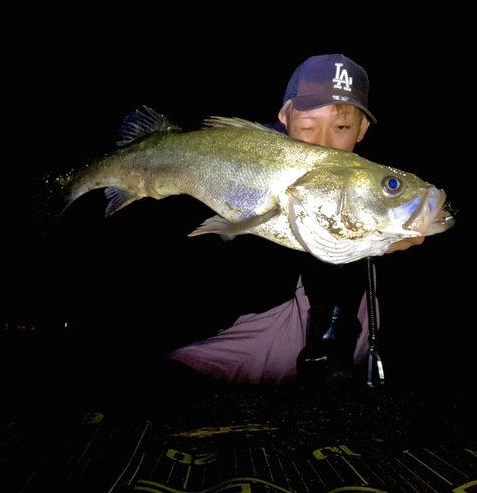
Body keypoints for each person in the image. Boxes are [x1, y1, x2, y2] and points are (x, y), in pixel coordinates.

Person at [167, 54, 424, 383]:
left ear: (362, 129)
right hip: (252, 334)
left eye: (341, 127)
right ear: (284, 118)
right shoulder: (245, 160)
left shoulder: (365, 180)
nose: (325, 142)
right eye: (308, 127)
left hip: (352, 343)